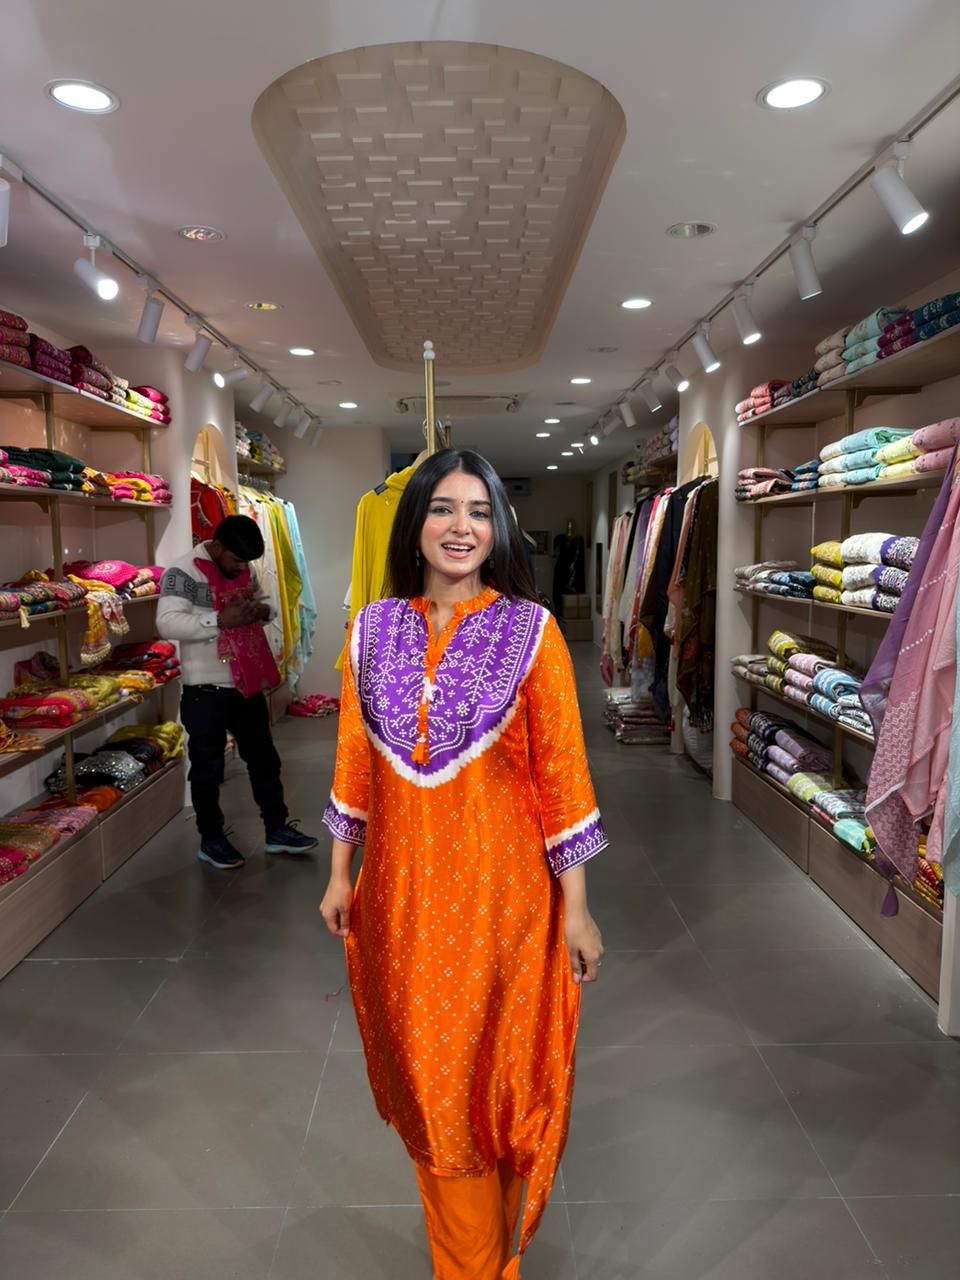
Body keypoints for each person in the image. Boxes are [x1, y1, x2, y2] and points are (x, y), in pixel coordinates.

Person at [320, 450, 605, 1279]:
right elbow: (354, 761)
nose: (461, 527)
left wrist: (577, 908)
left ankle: (484, 1264)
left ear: (499, 528)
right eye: (443, 508)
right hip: (403, 903)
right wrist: (340, 871)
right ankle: (472, 1264)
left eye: (479, 512)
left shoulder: (532, 631)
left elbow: (562, 776)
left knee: (500, 1087)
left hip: (506, 905)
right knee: (435, 1088)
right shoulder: (372, 628)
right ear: (414, 523)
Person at [157, 514, 318, 869]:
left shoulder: (243, 566)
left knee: (264, 759)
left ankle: (277, 829)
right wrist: (217, 620)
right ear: (217, 547)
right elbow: (166, 622)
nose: (242, 567)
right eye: (236, 560)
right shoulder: (182, 572)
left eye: (246, 562)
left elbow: (266, 602)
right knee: (207, 768)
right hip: (205, 688)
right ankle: (211, 839)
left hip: (246, 682)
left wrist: (262, 610)